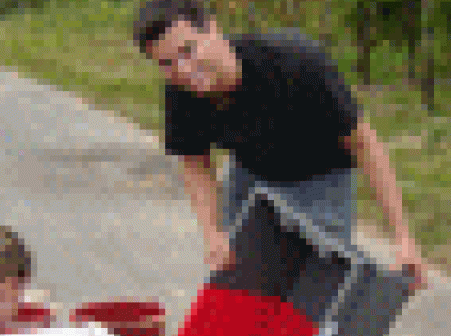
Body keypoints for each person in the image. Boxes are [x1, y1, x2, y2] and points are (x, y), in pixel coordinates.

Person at [133, 0, 431, 299]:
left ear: (212, 29)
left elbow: (365, 145)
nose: (183, 70)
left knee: (316, 292)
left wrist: (403, 238)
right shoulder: (180, 90)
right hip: (251, 171)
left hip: (322, 177)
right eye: (167, 63)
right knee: (242, 283)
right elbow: (195, 163)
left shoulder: (295, 63)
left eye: (188, 50)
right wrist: (212, 232)